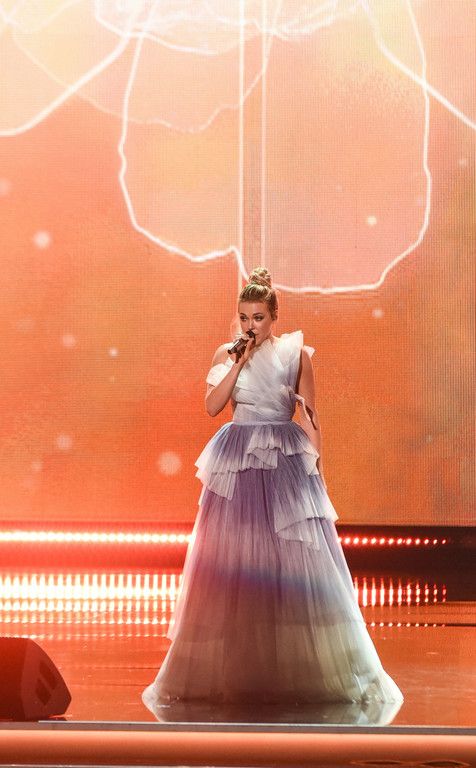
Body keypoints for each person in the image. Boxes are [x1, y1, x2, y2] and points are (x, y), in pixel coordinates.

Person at [142, 267, 403, 714]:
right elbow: (212, 407)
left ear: (274, 317)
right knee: (235, 563)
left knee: (290, 564)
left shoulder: (295, 354)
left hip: (283, 458)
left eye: (259, 318)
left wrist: (317, 471)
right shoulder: (227, 352)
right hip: (239, 459)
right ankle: (237, 670)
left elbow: (311, 416)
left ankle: (298, 670)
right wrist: (238, 361)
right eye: (244, 317)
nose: (251, 326)